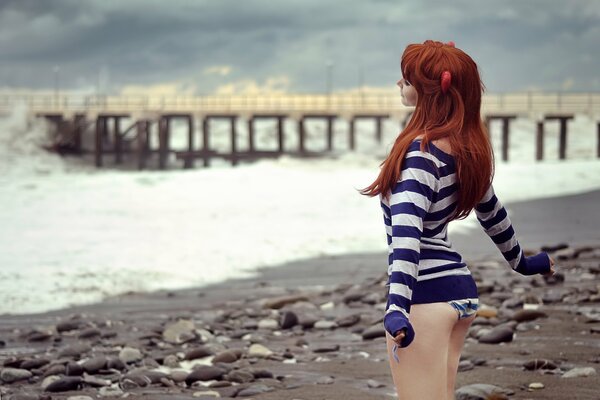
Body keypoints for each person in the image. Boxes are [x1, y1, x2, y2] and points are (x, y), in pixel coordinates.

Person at [360, 40, 556, 400]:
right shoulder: (465, 150)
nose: (398, 85)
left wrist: (397, 308)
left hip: (426, 297)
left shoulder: (419, 157)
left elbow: (407, 237)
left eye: (405, 80)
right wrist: (521, 262)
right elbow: (493, 213)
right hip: (461, 293)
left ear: (430, 92)